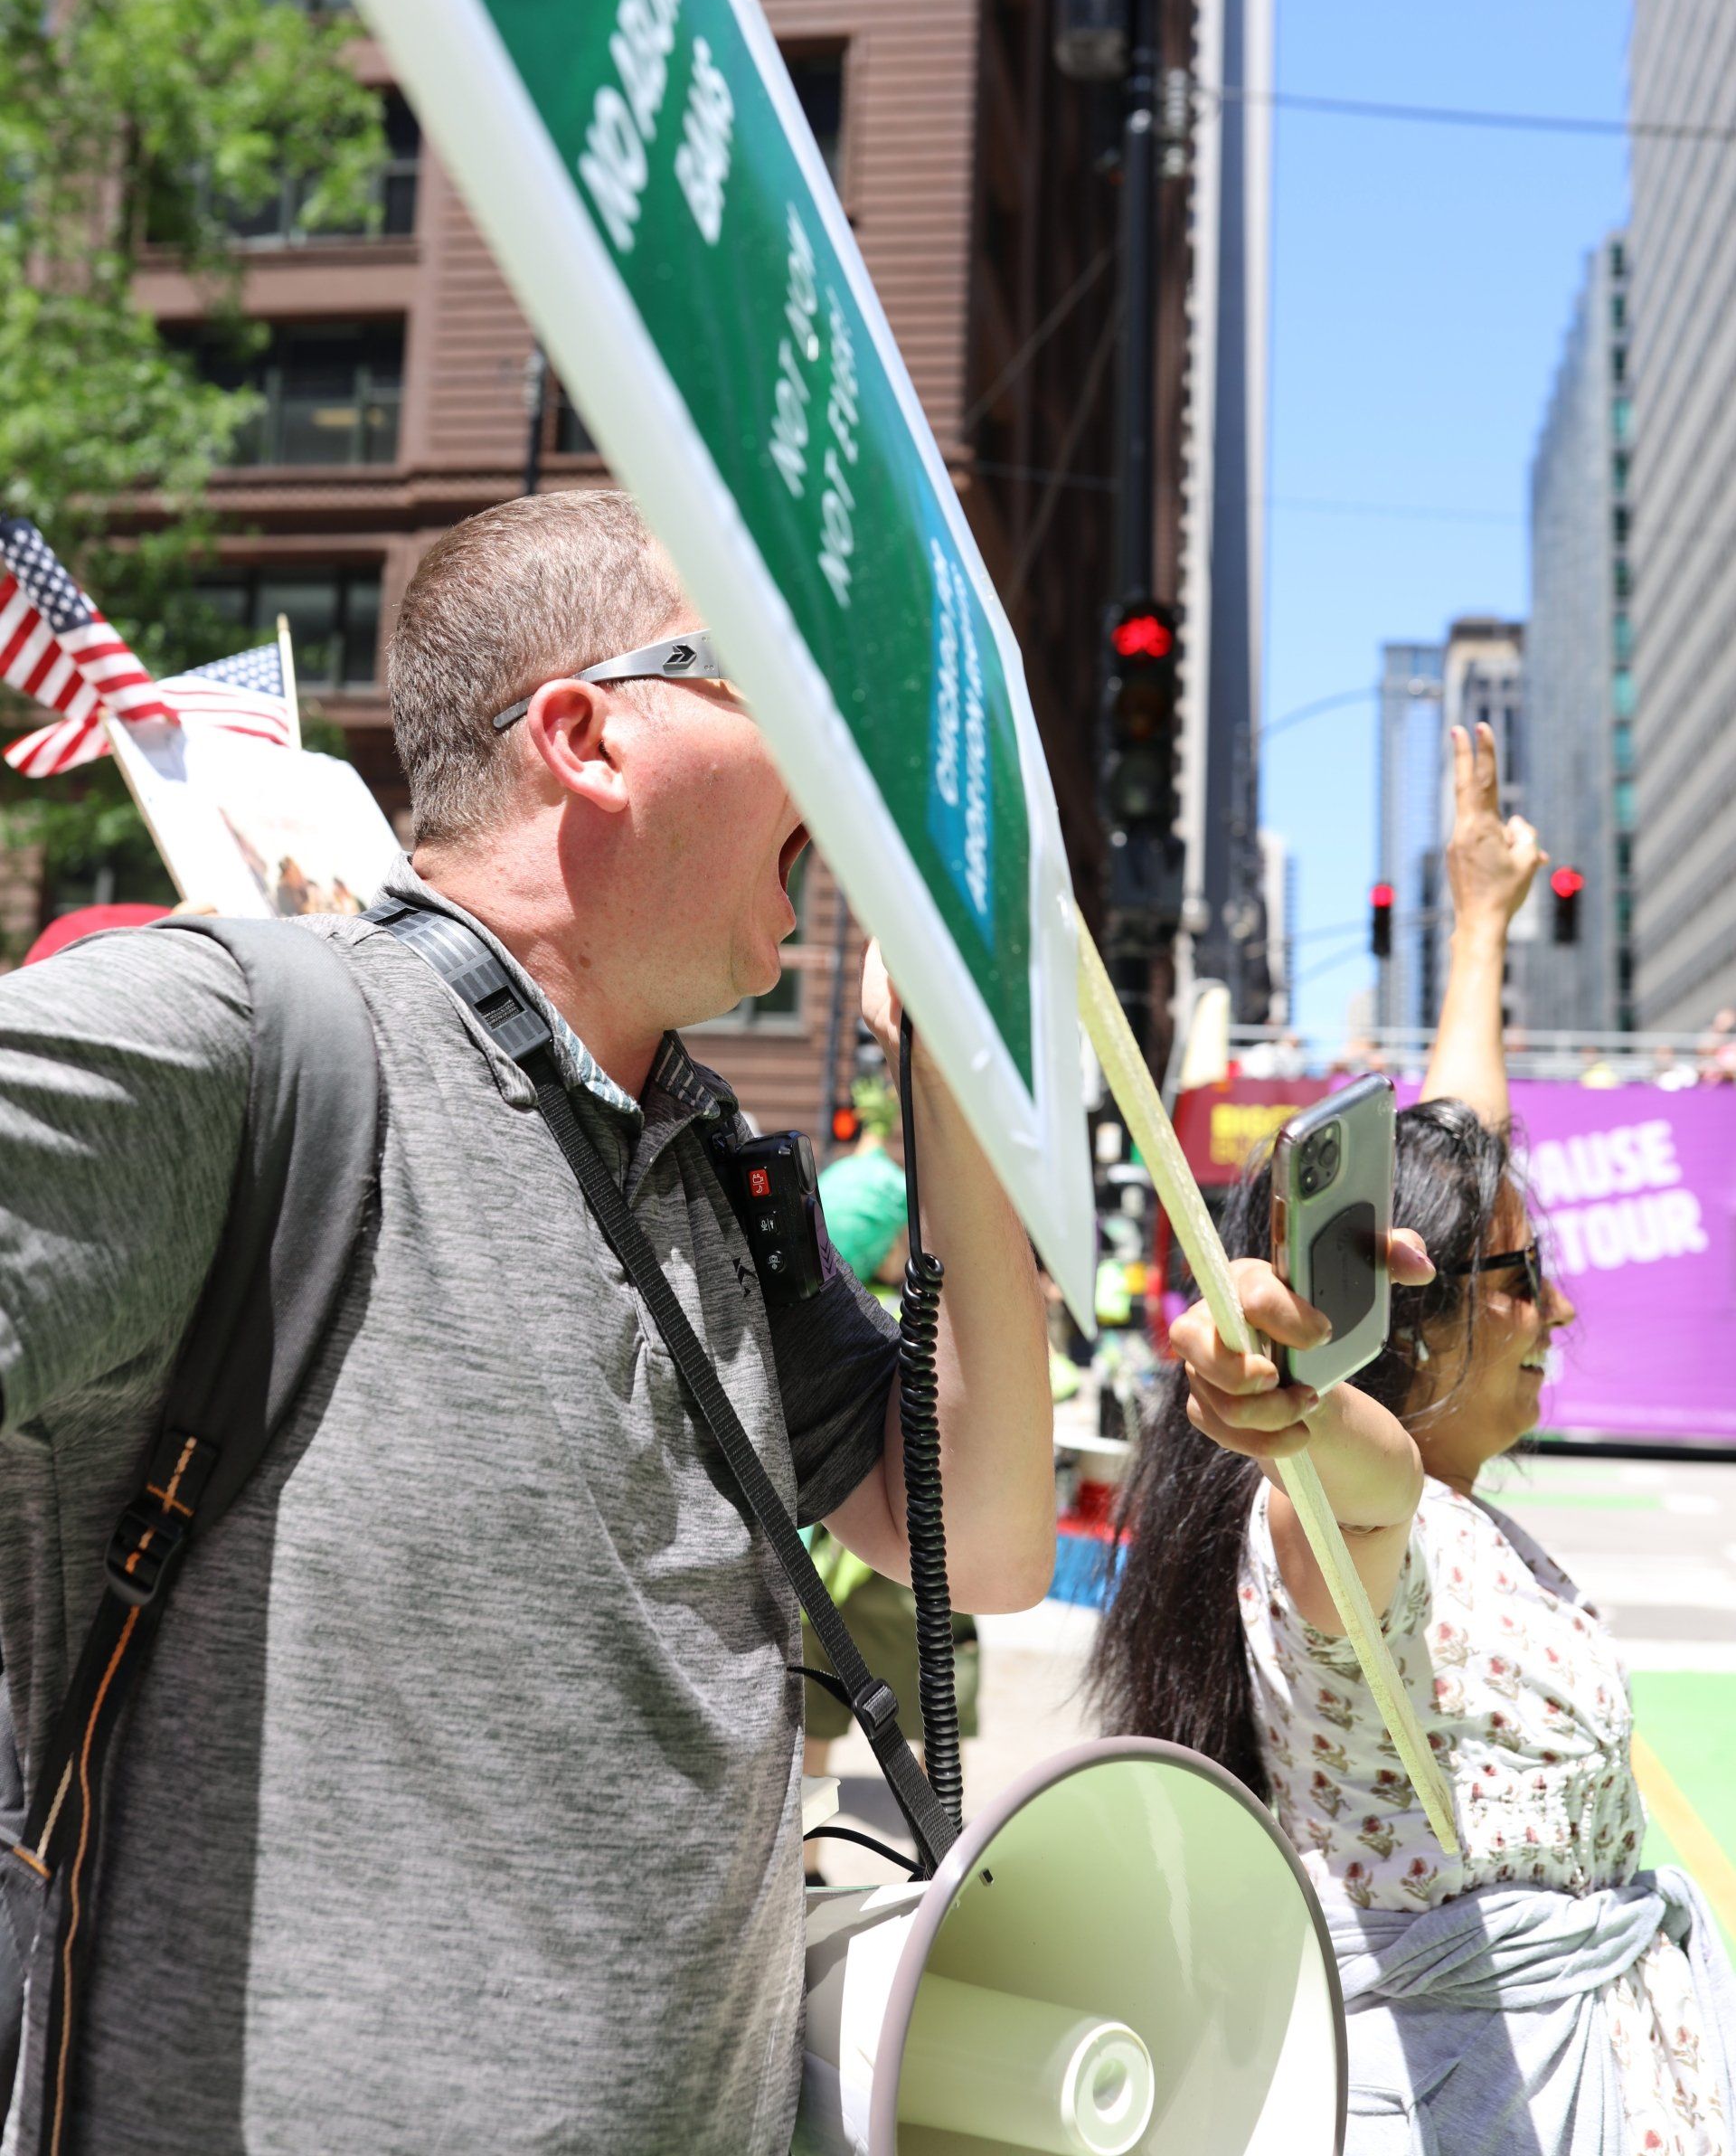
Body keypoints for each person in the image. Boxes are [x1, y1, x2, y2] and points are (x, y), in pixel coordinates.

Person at [0, 490, 1055, 2156]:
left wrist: (958, 1073)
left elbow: (987, 1546)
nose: (842, 774)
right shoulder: (238, 1043)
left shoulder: (723, 1178)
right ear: (586, 733)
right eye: (779, 685)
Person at [1092, 722, 1736, 2155]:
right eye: (1522, 1283)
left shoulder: (1434, 1487)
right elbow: (1350, 1461)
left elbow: (1466, 1168)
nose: (1557, 1310)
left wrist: (1479, 927)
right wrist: (1285, 1396)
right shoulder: (1346, 1528)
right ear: (1410, 1340)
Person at [801, 1083, 979, 1816]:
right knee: (923, 1670)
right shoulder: (889, 1191)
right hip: (882, 1483)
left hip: (815, 1511)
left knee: (814, 1693)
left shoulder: (839, 1179)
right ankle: (936, 1840)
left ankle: (808, 1853)